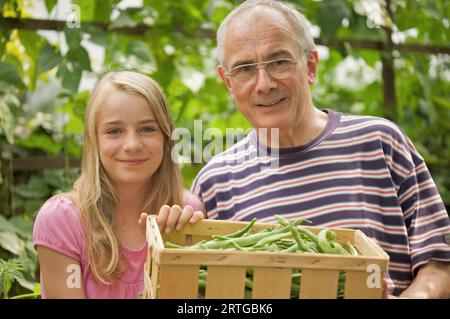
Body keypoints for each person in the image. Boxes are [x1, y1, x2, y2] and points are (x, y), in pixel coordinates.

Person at [191, 0, 450, 298]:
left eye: (279, 62)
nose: (264, 84)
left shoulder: (380, 142)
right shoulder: (215, 183)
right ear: (228, 83)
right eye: (245, 68)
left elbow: (438, 263)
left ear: (310, 66)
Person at [32, 71, 204, 298]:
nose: (132, 144)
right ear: (94, 140)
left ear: (166, 137)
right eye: (114, 131)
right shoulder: (63, 221)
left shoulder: (186, 211)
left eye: (147, 129)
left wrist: (179, 245)